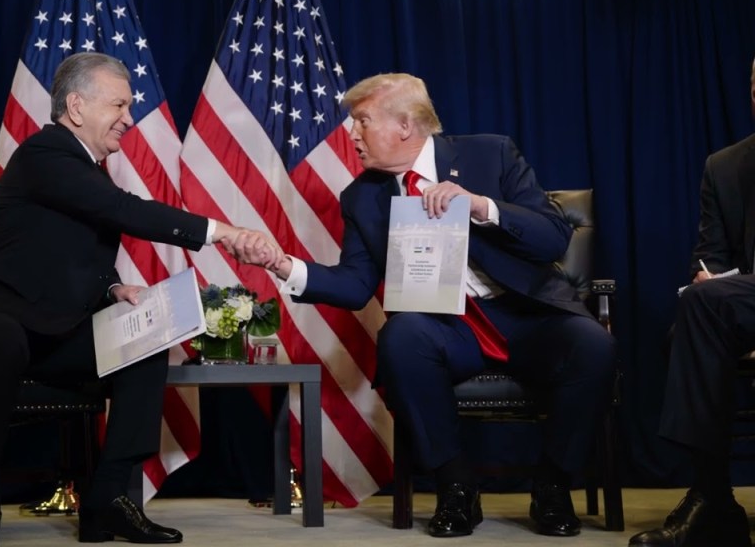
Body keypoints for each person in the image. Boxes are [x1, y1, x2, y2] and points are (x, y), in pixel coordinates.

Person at [0, 51, 280, 547]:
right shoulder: (46, 152)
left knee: (146, 340)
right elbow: (121, 211)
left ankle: (108, 499)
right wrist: (222, 232)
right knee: (1, 335)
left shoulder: (87, 168)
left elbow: (63, 247)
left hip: (50, 329)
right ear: (76, 106)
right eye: (119, 105)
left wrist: (114, 289)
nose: (129, 119)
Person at [262, 73, 617, 538]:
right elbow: (354, 286)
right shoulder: (363, 196)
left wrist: (480, 206)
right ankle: (456, 487)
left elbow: (553, 236)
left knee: (595, 346)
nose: (351, 134)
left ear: (405, 125)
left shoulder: (490, 154)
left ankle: (552, 486)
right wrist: (285, 265)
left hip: (526, 314)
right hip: (451, 329)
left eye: (362, 121)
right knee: (401, 337)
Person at [628, 57, 755, 547]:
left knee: (697, 317)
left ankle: (709, 496)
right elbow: (711, 262)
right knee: (693, 318)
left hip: (737, 300)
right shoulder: (725, 167)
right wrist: (708, 281)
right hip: (743, 302)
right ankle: (714, 495)